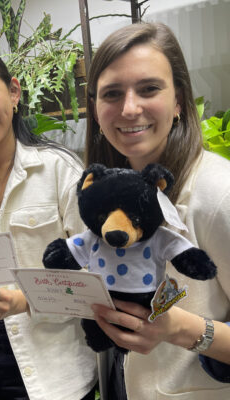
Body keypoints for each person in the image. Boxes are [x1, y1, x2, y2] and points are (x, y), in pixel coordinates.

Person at [0, 46, 98, 400]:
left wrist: (24, 301)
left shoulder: (60, 170)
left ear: (13, 92)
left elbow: (96, 279)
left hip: (55, 372)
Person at [84, 22, 230, 400]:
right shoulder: (99, 194)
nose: (130, 109)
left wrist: (179, 328)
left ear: (179, 100)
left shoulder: (217, 192)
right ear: (96, 109)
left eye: (149, 89)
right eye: (112, 94)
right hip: (120, 381)